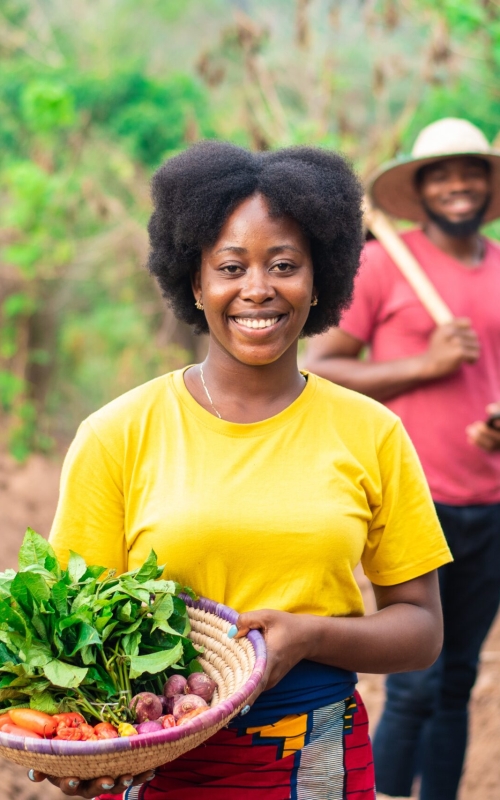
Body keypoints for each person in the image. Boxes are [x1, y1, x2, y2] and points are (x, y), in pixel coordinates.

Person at [28, 141, 450, 800]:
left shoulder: (372, 433)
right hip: (153, 754)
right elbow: (67, 631)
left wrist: (310, 635)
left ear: (322, 279)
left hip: (313, 758)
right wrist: (76, 745)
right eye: (231, 266)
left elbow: (421, 630)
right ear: (195, 281)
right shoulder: (118, 434)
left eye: (285, 264)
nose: (258, 288)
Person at [305, 118, 500, 800]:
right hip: (418, 499)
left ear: (488, 182)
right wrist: (428, 363)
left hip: (492, 502)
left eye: (470, 171)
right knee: (416, 685)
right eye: (441, 174)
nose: (458, 185)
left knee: (458, 681)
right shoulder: (386, 264)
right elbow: (319, 364)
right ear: (420, 189)